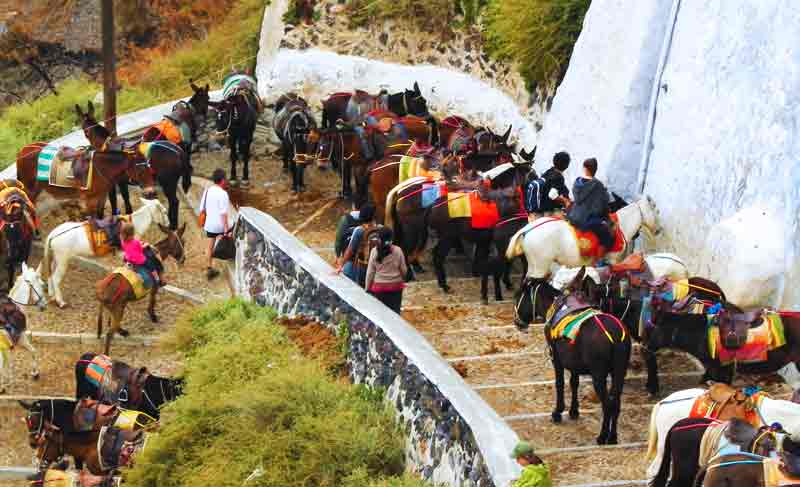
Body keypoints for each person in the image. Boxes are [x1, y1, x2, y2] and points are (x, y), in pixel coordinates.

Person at [566, 157, 613, 248]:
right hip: (586, 221)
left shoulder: (577, 182)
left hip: (573, 217)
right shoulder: (598, 185)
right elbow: (601, 207)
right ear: (595, 170)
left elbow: (576, 199)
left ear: (584, 169)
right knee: (608, 237)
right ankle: (602, 261)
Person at [365, 227, 407, 313]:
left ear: (379, 239)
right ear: (391, 238)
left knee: (380, 314)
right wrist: (402, 279)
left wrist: (367, 288)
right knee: (395, 313)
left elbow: (370, 273)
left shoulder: (374, 252)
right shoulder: (398, 251)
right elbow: (404, 270)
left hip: (379, 289)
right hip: (396, 287)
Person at [335, 204, 379, 286]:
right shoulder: (380, 229)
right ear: (373, 217)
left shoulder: (359, 230)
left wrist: (341, 265)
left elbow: (350, 250)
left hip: (362, 266)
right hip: (376, 267)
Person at [202, 169, 231, 280]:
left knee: (210, 245)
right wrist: (226, 230)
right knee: (232, 231)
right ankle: (229, 257)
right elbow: (224, 214)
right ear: (222, 180)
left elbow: (202, 208)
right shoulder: (223, 194)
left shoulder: (207, 191)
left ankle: (209, 267)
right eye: (226, 179)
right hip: (219, 225)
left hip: (209, 224)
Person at [120, 222, 164, 287]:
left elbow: (126, 248)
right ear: (132, 234)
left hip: (129, 259)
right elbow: (141, 250)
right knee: (152, 266)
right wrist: (146, 245)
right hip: (140, 261)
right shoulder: (136, 242)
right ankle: (157, 279)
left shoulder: (123, 242)